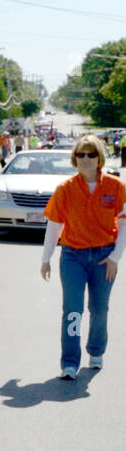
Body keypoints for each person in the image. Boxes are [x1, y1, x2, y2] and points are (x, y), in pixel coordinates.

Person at [39, 134, 126, 379]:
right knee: (72, 310)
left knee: (100, 309)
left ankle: (96, 351)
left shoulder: (115, 187)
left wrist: (115, 258)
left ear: (99, 158)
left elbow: (124, 224)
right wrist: (46, 259)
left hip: (104, 258)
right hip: (73, 257)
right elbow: (54, 226)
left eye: (91, 154)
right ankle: (69, 362)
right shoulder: (65, 189)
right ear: (74, 158)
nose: (86, 159)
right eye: (81, 154)